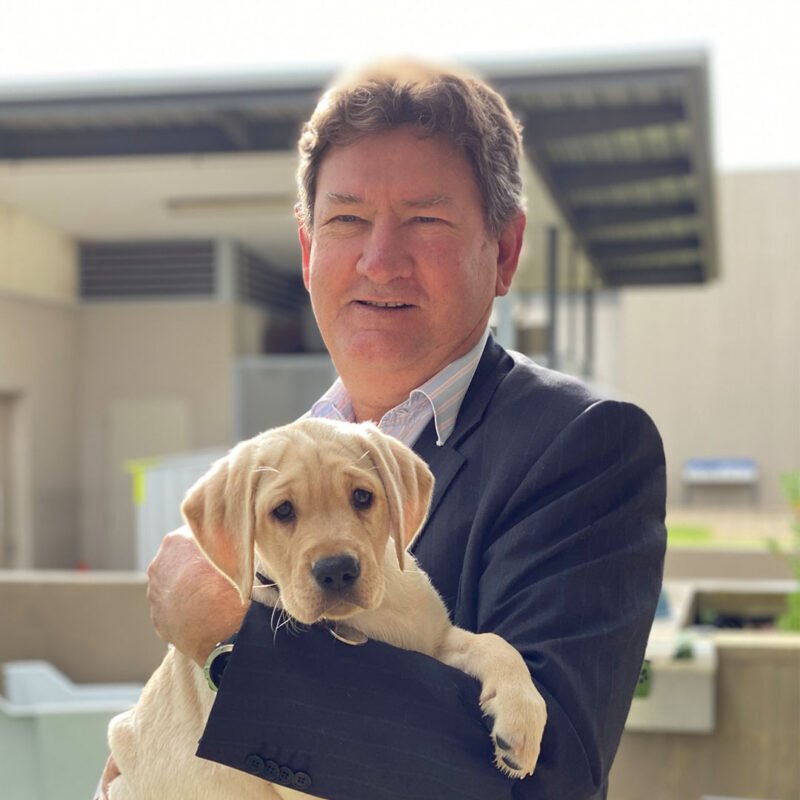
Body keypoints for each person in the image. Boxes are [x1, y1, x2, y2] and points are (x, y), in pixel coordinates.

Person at [100, 60, 666, 800]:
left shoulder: (585, 447)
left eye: (426, 219)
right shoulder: (287, 456)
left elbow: (543, 783)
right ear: (307, 252)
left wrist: (227, 637)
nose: (380, 260)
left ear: (504, 251)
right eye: (346, 220)